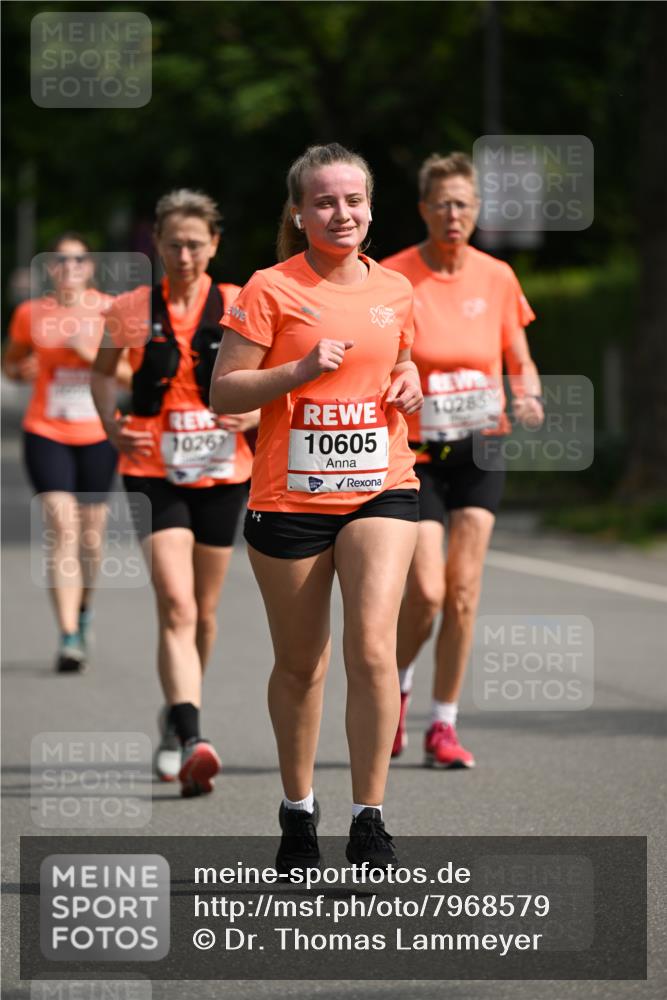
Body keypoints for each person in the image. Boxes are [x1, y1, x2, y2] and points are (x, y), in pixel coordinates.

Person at [210, 143, 422, 871]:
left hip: (381, 486)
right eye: (325, 201)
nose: (342, 213)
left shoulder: (395, 288)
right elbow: (224, 393)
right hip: (290, 497)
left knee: (370, 646)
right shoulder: (269, 288)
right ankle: (298, 813)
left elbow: (397, 357)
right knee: (301, 666)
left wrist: (409, 381)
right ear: (299, 213)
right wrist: (298, 370)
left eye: (353, 200)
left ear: (370, 207)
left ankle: (370, 818)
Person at [91, 190, 257, 798]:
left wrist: (258, 414)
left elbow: (278, 369)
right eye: (172, 244)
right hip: (153, 469)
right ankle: (192, 736)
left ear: (213, 245)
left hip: (224, 469)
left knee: (204, 614)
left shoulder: (240, 302)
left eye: (195, 244)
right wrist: (111, 425)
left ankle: (175, 715)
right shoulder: (131, 307)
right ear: (156, 246)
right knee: (177, 604)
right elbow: (103, 372)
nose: (184, 254)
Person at [382, 152, 543, 768]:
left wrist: (526, 390)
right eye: (443, 204)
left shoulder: (497, 276)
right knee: (424, 590)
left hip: (479, 444)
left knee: (465, 591)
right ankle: (392, 690)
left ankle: (442, 726)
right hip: (417, 450)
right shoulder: (395, 279)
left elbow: (517, 353)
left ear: (477, 211)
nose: (455, 215)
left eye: (465, 205)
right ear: (424, 209)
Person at [3, 234, 122, 673]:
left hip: (96, 433)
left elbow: (129, 375)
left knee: (91, 537)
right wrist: (20, 368)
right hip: (46, 430)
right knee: (60, 524)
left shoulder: (110, 310)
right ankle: (69, 634)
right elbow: (11, 363)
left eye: (78, 260)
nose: (69, 267)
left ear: (89, 268)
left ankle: (85, 609)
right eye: (60, 261)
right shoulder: (31, 313)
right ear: (50, 269)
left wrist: (87, 352)